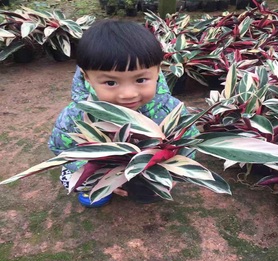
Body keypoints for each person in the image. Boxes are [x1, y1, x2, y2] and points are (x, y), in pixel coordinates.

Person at [48, 19, 199, 206]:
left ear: (158, 71)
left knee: (147, 192)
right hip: (102, 171)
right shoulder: (76, 116)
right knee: (70, 179)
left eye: (141, 79)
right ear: (87, 77)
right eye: (111, 83)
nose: (128, 94)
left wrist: (175, 174)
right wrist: (98, 177)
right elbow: (62, 149)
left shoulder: (171, 110)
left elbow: (189, 143)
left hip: (149, 169)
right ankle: (96, 190)